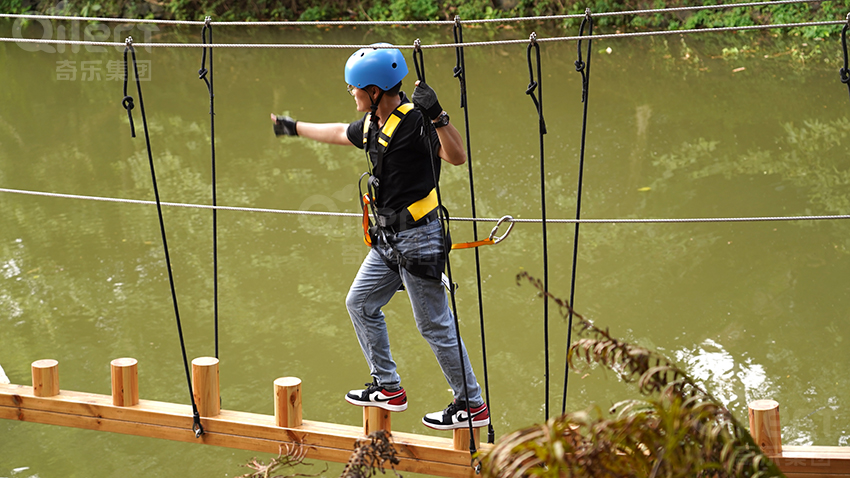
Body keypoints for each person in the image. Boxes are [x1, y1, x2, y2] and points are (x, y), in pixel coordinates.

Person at [271, 43, 489, 431]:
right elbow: (339, 132)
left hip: (420, 238)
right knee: (360, 302)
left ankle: (471, 404)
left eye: (354, 88)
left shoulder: (416, 122)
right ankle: (388, 387)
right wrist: (293, 127)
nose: (351, 93)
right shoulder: (375, 123)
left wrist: (438, 114)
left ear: (374, 91)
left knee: (434, 325)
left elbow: (456, 156)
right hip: (389, 240)